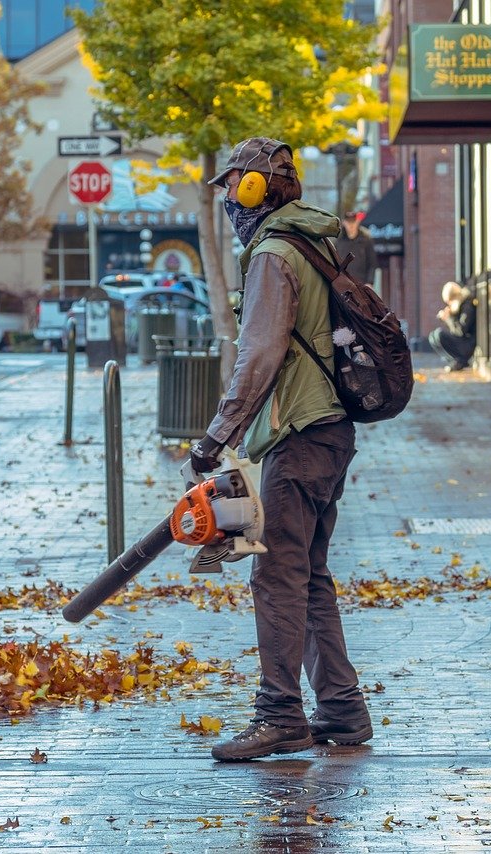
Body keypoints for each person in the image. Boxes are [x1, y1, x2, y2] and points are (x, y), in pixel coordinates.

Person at [190, 137, 373, 761]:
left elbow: (260, 354)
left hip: (301, 433)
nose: (226, 204)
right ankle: (343, 711)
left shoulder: (274, 253)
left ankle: (280, 715)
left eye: (231, 188)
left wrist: (218, 435)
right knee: (308, 572)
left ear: (252, 189)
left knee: (276, 575)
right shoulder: (311, 241)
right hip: (329, 430)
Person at [428, 281, 477, 371]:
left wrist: (448, 318)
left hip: (469, 344)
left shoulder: (467, 305)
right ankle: (455, 361)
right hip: (464, 342)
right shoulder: (460, 305)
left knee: (439, 334)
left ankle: (461, 361)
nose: (449, 305)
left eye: (449, 302)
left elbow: (461, 330)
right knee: (433, 336)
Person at [334, 211, 378, 285]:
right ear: (344, 223)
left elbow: (372, 264)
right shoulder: (338, 241)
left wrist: (369, 282)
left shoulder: (366, 239)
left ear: (357, 222)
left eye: (353, 222)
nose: (351, 225)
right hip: (342, 283)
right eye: (348, 222)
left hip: (361, 284)